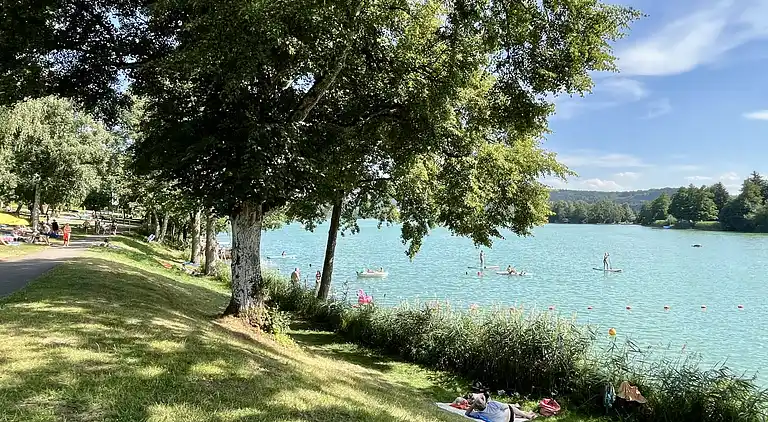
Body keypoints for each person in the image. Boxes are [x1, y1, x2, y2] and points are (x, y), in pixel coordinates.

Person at [463, 392, 537, 421]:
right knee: (510, 407)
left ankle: (526, 414)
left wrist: (472, 406)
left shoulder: (479, 414)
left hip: (508, 421)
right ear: (485, 401)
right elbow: (506, 406)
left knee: (502, 412)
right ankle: (527, 415)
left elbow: (467, 413)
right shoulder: (492, 403)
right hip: (510, 415)